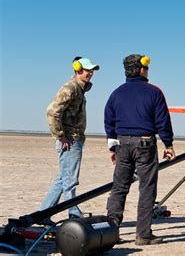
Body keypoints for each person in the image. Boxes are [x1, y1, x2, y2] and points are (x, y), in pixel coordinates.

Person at [104, 54, 176, 245]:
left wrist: (112, 146)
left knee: (119, 188)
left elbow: (108, 120)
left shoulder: (116, 93)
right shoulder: (154, 92)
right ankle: (143, 234)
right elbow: (163, 121)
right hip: (145, 145)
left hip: (121, 145)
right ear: (142, 69)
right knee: (147, 189)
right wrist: (168, 145)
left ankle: (112, 232)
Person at [39, 56, 100, 224]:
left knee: (63, 179)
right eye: (88, 70)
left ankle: (43, 214)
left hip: (74, 139)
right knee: (70, 181)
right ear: (77, 68)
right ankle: (73, 214)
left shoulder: (79, 89)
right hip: (70, 140)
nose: (90, 74)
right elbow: (52, 111)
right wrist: (60, 135)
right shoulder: (70, 87)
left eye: (92, 71)